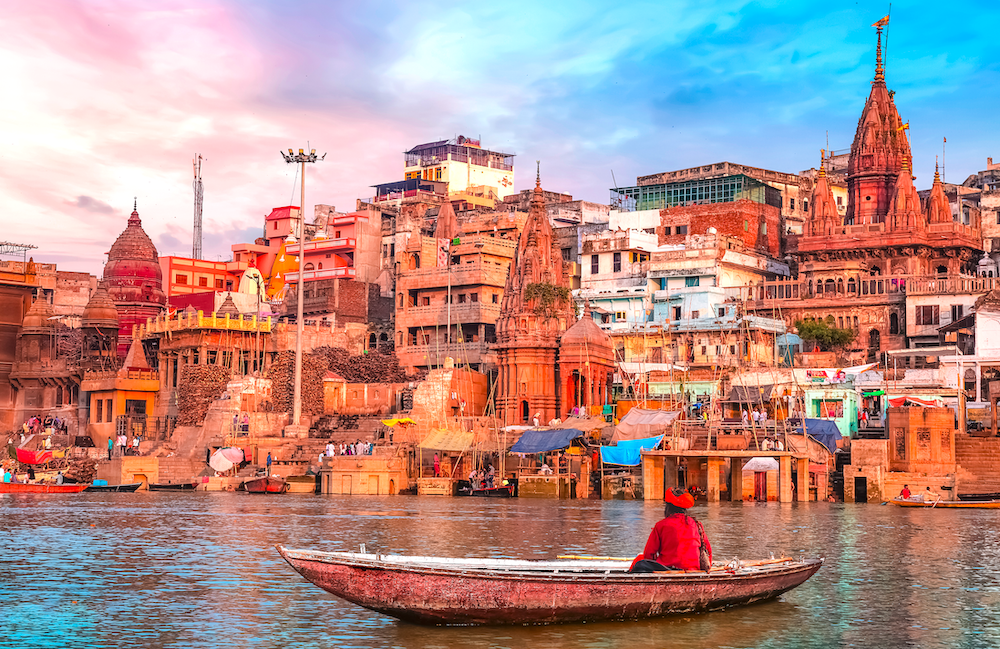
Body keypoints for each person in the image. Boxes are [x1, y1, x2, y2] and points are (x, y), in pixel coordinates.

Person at [629, 488, 712, 572]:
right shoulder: (697, 524)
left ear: (668, 508)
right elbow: (708, 551)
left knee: (639, 560)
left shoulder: (661, 525)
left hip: (668, 569)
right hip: (693, 569)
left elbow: (649, 554)